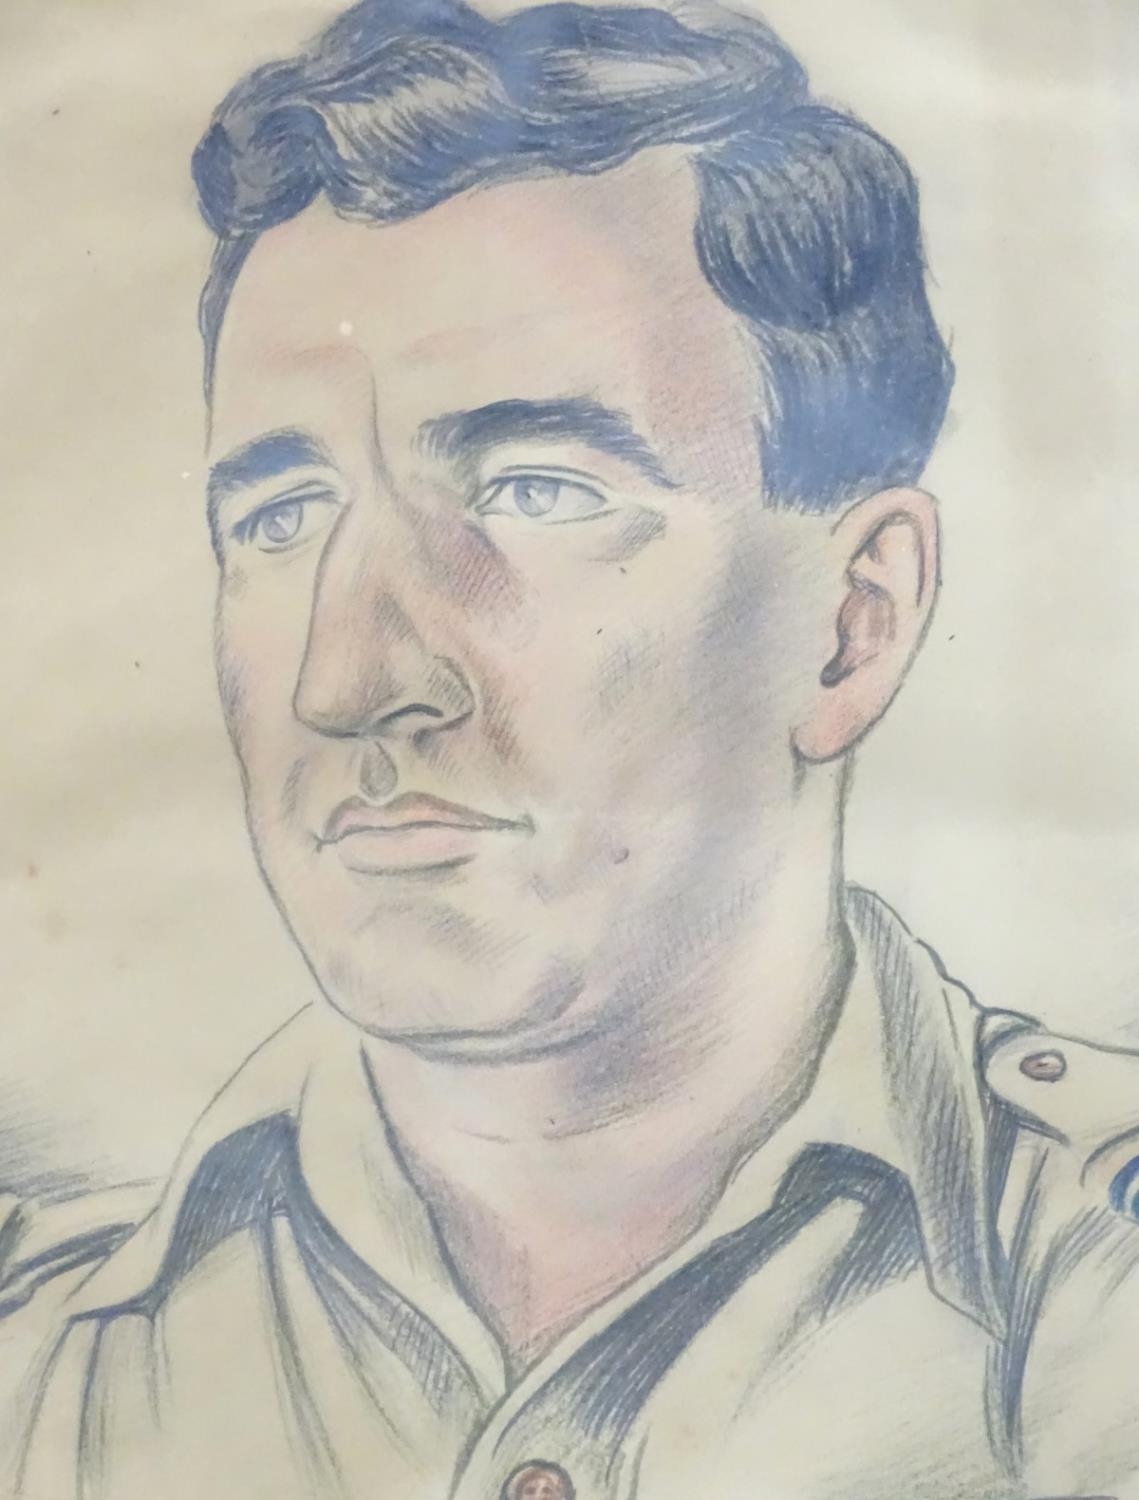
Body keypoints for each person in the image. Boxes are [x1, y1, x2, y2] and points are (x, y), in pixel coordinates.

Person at [3, 2, 1138, 1496]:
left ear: (853, 624)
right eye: (280, 520)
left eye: (537, 491)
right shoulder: (41, 1363)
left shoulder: (1093, 1305)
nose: (353, 680)